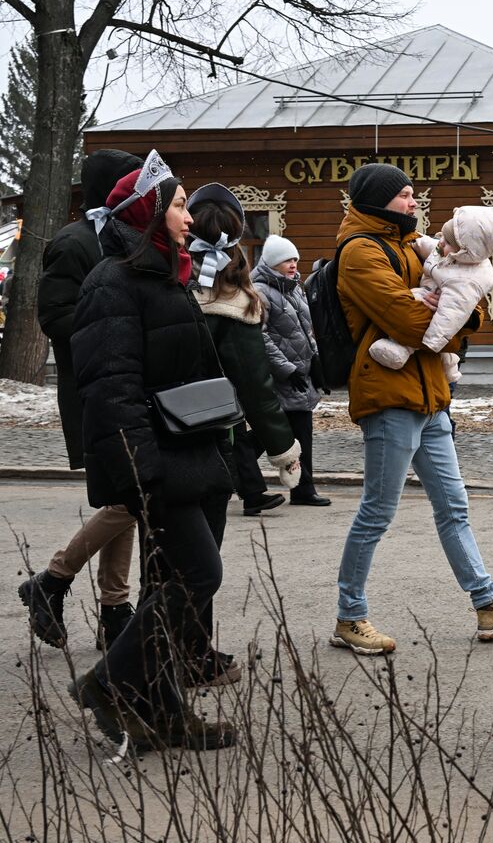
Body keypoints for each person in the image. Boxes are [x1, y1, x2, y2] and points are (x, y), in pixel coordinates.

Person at [332, 163, 493, 655]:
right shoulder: (361, 252)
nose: (414, 204)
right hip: (388, 394)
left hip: (430, 393)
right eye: (406, 196)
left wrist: (453, 314)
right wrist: (448, 317)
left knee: (454, 506)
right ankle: (349, 616)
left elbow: (469, 302)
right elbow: (412, 324)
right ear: (378, 199)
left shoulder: (410, 244)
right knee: (377, 512)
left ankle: (489, 604)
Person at [67, 150, 238, 749]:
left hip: (192, 455)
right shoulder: (112, 284)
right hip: (159, 464)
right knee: (198, 573)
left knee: (167, 581)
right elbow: (110, 388)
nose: (189, 217)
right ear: (149, 211)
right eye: (180, 204)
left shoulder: (164, 277)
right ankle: (111, 682)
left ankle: (161, 710)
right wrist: (143, 471)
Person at [22, 150, 143, 650]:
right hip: (93, 388)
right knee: (130, 496)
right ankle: (54, 579)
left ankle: (113, 610)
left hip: (129, 384)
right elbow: (54, 315)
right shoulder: (75, 242)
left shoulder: (129, 238)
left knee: (126, 495)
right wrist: (115, 335)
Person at [187, 185, 302, 686]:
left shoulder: (171, 281)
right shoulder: (233, 299)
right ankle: (189, 653)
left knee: (163, 550)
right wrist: (282, 447)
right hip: (210, 433)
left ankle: (151, 643)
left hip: (154, 424)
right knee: (201, 555)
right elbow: (255, 384)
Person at [369, 205, 493, 385]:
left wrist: (432, 342)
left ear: (466, 250)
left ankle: (400, 350)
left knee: (415, 300)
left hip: (437, 307)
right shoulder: (447, 251)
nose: (441, 242)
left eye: (448, 242)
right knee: (446, 350)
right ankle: (451, 370)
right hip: (434, 293)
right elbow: (430, 246)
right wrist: (414, 240)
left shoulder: (467, 281)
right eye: (442, 236)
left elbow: (451, 314)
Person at [252, 234, 329, 506]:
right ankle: (301, 489)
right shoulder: (260, 292)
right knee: (282, 431)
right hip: (281, 376)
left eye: (295, 258)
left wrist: (317, 364)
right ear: (272, 262)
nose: (293, 264)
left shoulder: (294, 288)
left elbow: (306, 333)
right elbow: (259, 337)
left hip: (300, 374)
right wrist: (286, 369)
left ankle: (300, 488)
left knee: (286, 431)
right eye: (286, 260)